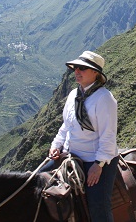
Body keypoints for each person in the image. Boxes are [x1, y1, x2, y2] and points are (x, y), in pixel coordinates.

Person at [48, 51, 119, 222]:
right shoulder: (74, 94)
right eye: (75, 68)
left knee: (98, 207)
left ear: (96, 73)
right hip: (70, 155)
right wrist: (56, 145)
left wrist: (98, 164)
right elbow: (67, 124)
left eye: (82, 68)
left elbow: (108, 135)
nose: (77, 72)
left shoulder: (104, 99)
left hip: (94, 158)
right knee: (37, 185)